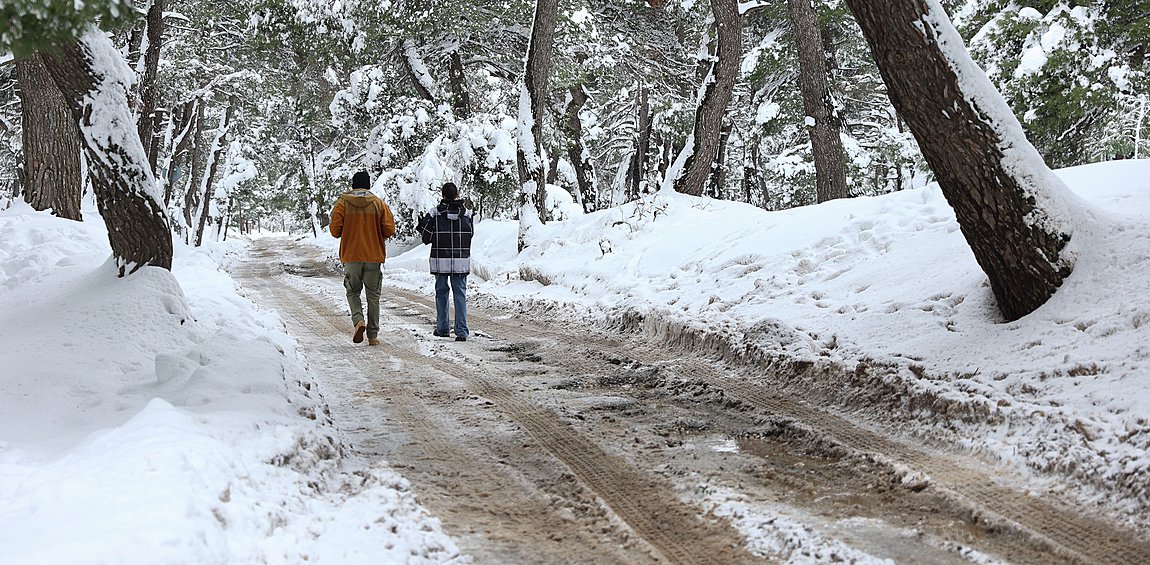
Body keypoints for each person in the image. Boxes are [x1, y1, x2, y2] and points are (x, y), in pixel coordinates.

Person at [329, 171, 396, 346]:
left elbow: (335, 231)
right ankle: (373, 336)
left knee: (352, 292)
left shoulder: (343, 203)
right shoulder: (379, 204)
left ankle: (359, 320)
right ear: (368, 185)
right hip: (373, 256)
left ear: (352, 185)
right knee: (373, 296)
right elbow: (389, 230)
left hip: (351, 256)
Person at [417, 182, 474, 341]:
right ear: (457, 195)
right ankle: (461, 331)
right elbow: (470, 234)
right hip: (461, 260)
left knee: (441, 293)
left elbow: (426, 238)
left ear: (442, 195)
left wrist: (422, 225)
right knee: (460, 294)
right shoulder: (468, 214)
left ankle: (442, 328)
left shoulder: (435, 213)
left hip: (440, 259)